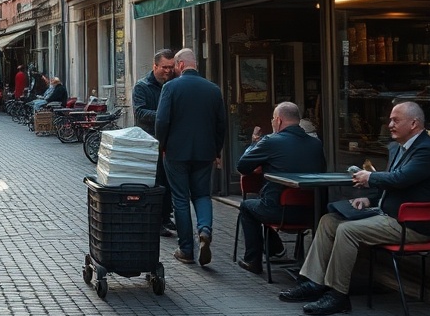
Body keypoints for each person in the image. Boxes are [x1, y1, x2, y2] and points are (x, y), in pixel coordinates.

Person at [278, 101, 430, 315]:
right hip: (390, 216)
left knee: (347, 230)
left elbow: (401, 179)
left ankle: (337, 295)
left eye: (396, 120)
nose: (390, 124)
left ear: (414, 123)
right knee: (329, 221)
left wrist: (370, 177)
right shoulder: (399, 147)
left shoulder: (426, 150)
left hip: (412, 225)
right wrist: (370, 200)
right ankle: (313, 283)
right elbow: (392, 183)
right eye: (390, 120)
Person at [235, 101, 326, 274]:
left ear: (278, 120)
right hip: (312, 212)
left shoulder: (270, 141)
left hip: (278, 211)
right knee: (262, 203)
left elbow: (242, 166)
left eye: (272, 120)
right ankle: (280, 250)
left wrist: (256, 143)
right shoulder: (316, 144)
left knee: (247, 207)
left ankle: (253, 260)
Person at [155, 47, 226, 267]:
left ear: (181, 65)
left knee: (180, 199)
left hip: (176, 152)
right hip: (204, 153)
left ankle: (186, 249)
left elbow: (162, 121)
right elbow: (221, 124)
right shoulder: (213, 90)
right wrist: (216, 151)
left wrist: (162, 145)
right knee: (202, 195)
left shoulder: (171, 88)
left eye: (175, 66)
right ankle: (204, 229)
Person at [132, 48, 178, 237]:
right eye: (164, 67)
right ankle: (155, 220)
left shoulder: (175, 84)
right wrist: (164, 116)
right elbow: (140, 113)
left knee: (168, 182)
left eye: (171, 67)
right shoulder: (142, 86)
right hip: (150, 142)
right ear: (155, 66)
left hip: (170, 142)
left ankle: (166, 217)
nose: (168, 71)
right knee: (155, 182)